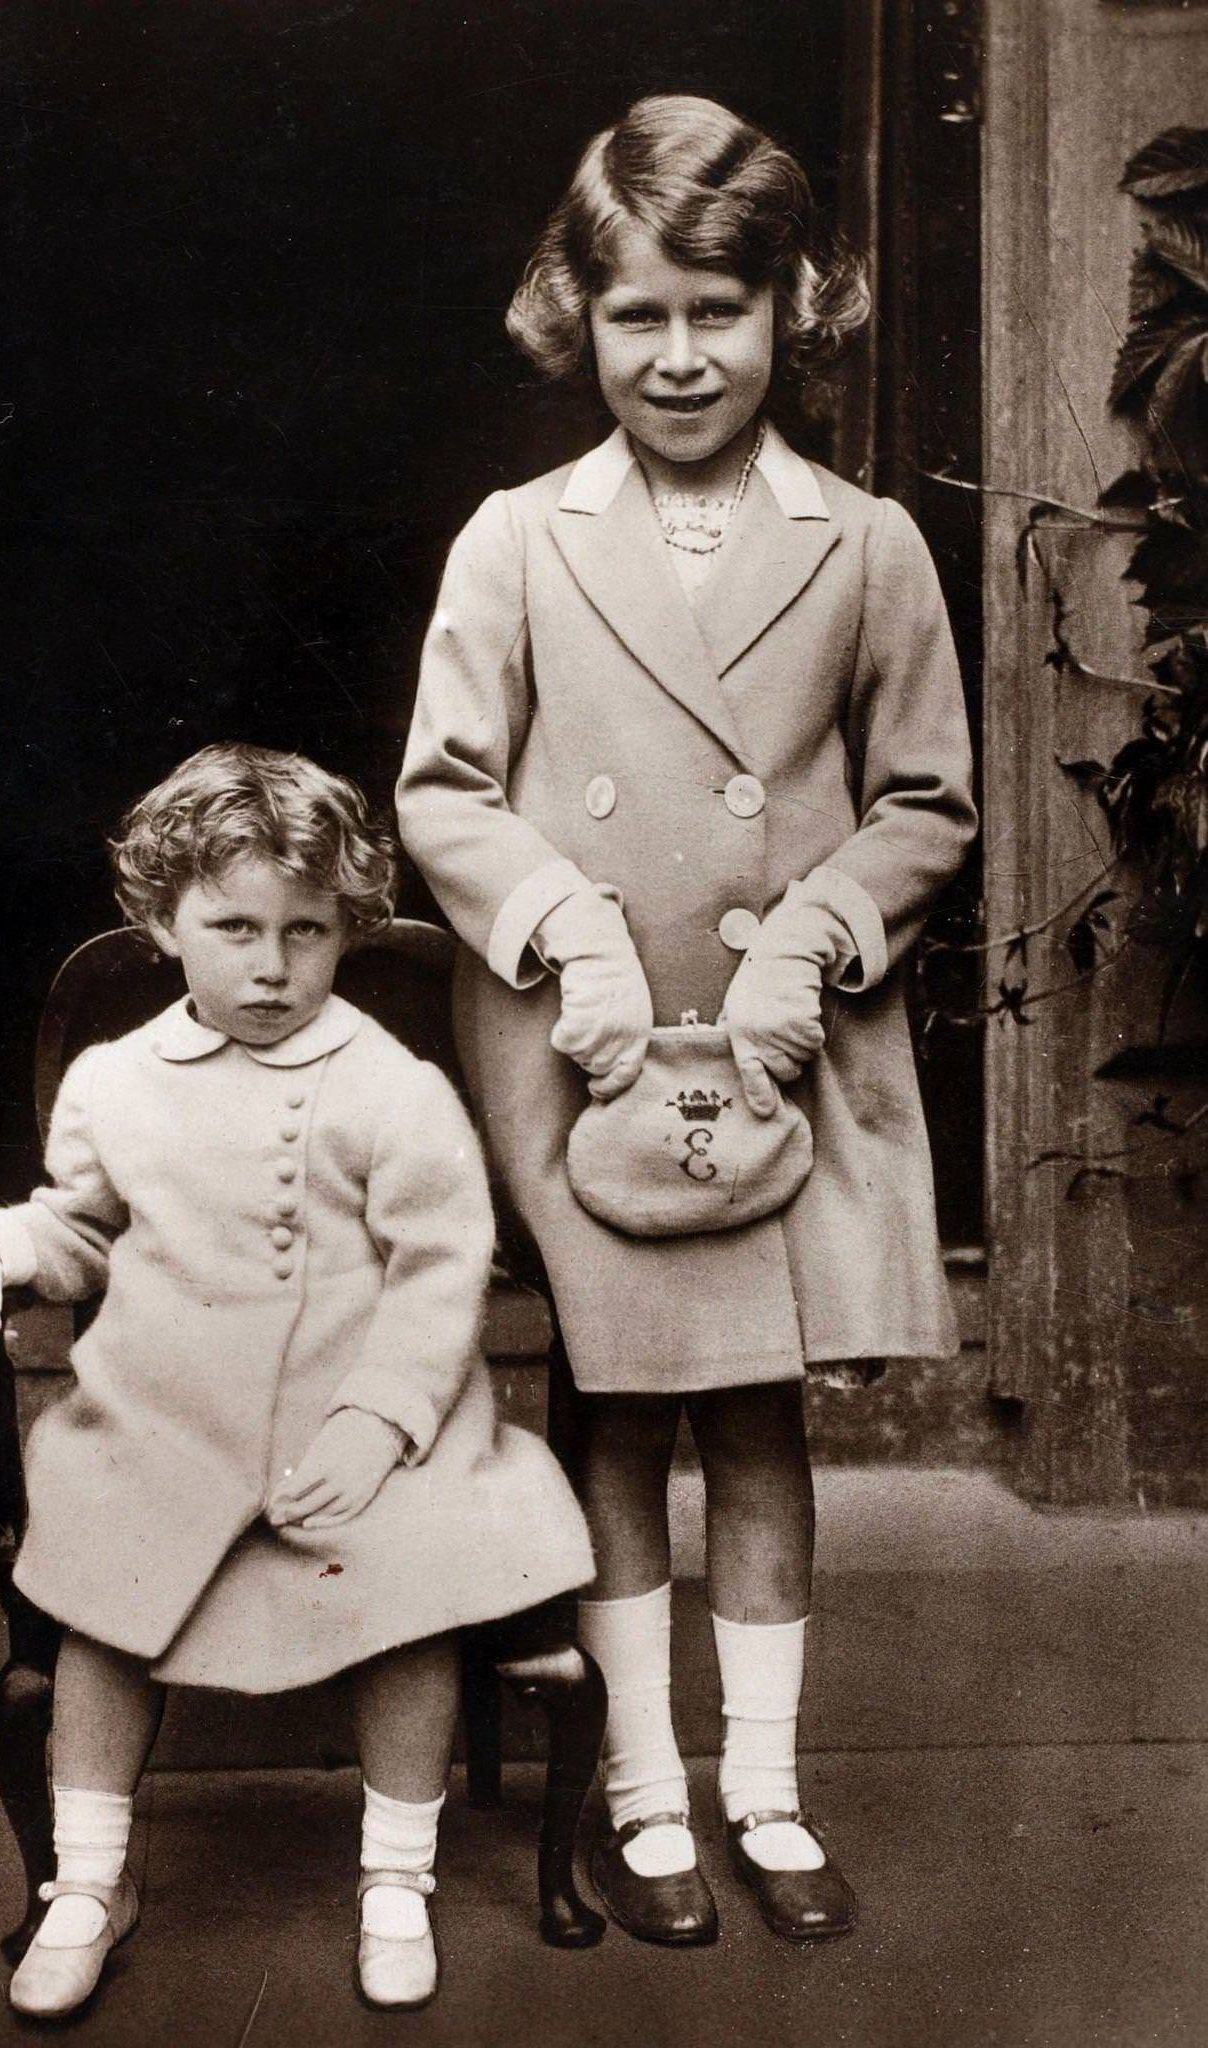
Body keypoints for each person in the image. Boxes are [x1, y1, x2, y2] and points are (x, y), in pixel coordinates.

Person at [397, 94, 976, 1948]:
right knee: (626, 1411)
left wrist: (822, 928)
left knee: (760, 1422)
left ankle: (769, 1794)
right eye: (637, 313)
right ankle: (648, 1792)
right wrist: (559, 922)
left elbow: (928, 802)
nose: (677, 354)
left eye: (715, 311)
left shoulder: (870, 542)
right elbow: (445, 789)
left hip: (781, 1037)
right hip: (592, 1043)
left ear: (791, 306)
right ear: (580, 310)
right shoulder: (518, 539)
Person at [0, 743, 594, 2016]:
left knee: (410, 1584)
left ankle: (395, 1875)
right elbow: (81, 1230)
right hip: (170, 1409)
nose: (271, 964)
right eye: (231, 926)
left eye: (307, 930)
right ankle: (87, 1877)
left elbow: (441, 1267)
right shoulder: (116, 1081)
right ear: (162, 920)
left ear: (348, 929)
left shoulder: (393, 1089)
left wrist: (379, 1419)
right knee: (106, 1594)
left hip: (370, 1415)